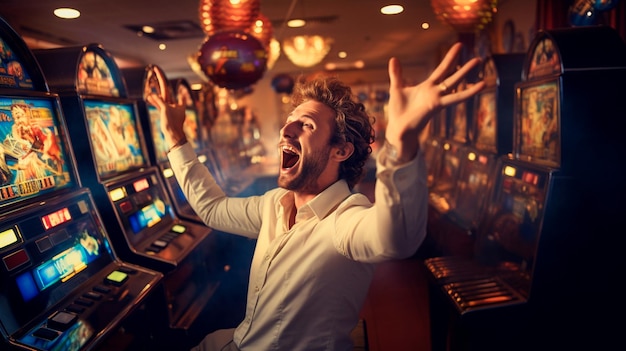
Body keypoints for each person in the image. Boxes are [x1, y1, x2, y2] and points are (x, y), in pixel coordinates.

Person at [147, 42, 484, 351]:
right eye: (289, 121)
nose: (285, 130)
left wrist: (401, 144)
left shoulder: (345, 220)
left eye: (305, 125)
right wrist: (174, 135)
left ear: (340, 150)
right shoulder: (273, 204)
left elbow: (396, 239)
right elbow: (213, 208)